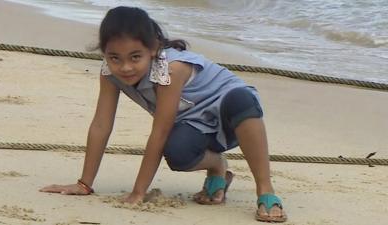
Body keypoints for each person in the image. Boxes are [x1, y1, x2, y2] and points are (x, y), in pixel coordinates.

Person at [40, 6, 287, 223]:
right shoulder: (109, 73)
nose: (125, 67)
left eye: (135, 57)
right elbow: (101, 124)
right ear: (104, 53)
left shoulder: (171, 69)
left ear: (153, 48)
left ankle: (265, 191)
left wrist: (139, 192)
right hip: (196, 125)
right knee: (177, 153)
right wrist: (84, 184)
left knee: (240, 97)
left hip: (237, 120)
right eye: (115, 58)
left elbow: (160, 130)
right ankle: (217, 166)